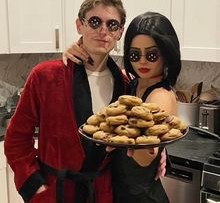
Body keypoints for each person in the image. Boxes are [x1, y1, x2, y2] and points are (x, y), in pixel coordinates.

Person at [4, 0, 128, 203]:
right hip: (55, 192)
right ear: (79, 25)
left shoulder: (124, 84)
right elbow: (16, 139)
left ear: (120, 33)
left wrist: (159, 153)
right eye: (95, 22)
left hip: (102, 193)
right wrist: (34, 184)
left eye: (112, 24)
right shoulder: (45, 75)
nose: (103, 31)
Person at [63, 12, 181, 202]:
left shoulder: (160, 96)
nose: (142, 61)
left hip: (142, 197)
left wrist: (151, 147)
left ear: (167, 53)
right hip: (118, 193)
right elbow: (99, 68)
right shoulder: (132, 82)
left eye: (151, 55)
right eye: (135, 54)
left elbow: (143, 159)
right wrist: (75, 48)